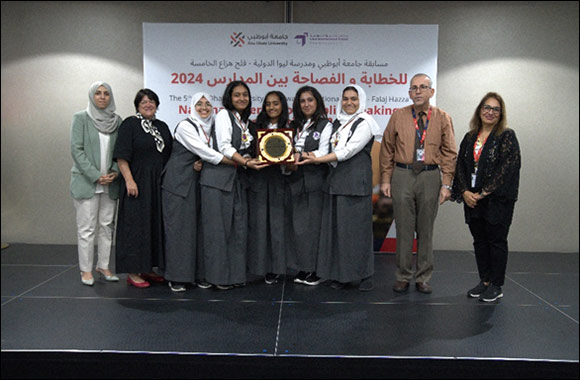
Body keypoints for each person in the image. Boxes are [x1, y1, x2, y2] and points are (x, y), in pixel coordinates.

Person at [379, 73, 457, 294]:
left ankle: (423, 277)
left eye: (423, 87)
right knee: (403, 229)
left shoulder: (442, 117)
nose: (418, 91)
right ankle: (403, 275)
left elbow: (450, 152)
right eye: (414, 88)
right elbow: (387, 149)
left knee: (425, 229)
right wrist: (385, 178)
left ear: (431, 92)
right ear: (409, 93)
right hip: (402, 175)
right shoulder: (398, 116)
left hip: (430, 176)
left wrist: (447, 183)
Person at [299, 85, 380, 291]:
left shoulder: (365, 123)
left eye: (354, 99)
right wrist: (313, 156)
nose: (349, 103)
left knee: (357, 232)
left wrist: (319, 159)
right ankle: (344, 275)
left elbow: (348, 151)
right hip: (336, 182)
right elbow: (326, 148)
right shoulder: (337, 122)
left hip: (354, 184)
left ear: (361, 100)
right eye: (345, 99)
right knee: (340, 233)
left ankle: (364, 276)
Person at [161, 92, 234, 292]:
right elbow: (205, 152)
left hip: (197, 184)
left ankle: (199, 274)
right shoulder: (186, 126)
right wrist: (237, 161)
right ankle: (177, 277)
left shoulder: (213, 127)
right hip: (178, 185)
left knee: (199, 231)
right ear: (192, 107)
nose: (204, 108)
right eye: (199, 104)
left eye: (208, 104)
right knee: (179, 231)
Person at [452, 92, 521, 302]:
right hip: (472, 198)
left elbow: (507, 168)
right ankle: (484, 282)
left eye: (495, 109)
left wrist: (482, 193)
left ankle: (496, 285)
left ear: (501, 114)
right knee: (479, 241)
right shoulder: (470, 137)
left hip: (496, 200)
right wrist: (464, 192)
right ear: (479, 110)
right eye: (487, 108)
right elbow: (461, 167)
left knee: (496, 241)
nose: (490, 112)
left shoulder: (506, 136)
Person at [199, 81, 268, 290]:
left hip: (237, 181)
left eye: (245, 95)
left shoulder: (246, 122)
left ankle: (234, 275)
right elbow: (224, 147)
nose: (241, 99)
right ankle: (216, 277)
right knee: (218, 232)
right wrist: (246, 162)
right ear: (229, 97)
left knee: (237, 229)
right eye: (237, 95)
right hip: (218, 181)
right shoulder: (223, 116)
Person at [113, 89, 173, 288]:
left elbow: (171, 156)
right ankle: (132, 272)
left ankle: (147, 268)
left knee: (152, 225)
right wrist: (129, 180)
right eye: (144, 101)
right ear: (137, 105)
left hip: (157, 185)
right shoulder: (130, 124)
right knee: (135, 228)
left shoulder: (162, 127)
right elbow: (122, 156)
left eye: (152, 101)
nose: (148, 104)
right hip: (136, 184)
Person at [70, 81, 122, 286]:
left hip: (110, 183)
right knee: (87, 228)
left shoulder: (116, 121)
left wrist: (114, 172)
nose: (102, 97)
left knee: (107, 226)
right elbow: (76, 150)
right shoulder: (81, 118)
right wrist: (95, 175)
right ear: (92, 96)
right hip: (87, 183)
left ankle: (104, 265)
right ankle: (86, 270)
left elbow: (121, 151)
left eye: (106, 93)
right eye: (98, 93)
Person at [286, 86, 332, 286]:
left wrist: (302, 156)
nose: (306, 104)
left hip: (315, 181)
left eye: (310, 100)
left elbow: (322, 153)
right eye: (302, 101)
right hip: (295, 181)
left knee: (314, 227)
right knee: (299, 228)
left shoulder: (325, 125)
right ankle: (303, 267)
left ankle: (317, 270)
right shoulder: (293, 125)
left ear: (317, 102)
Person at [247, 91, 291, 285]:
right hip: (258, 179)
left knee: (278, 226)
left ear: (282, 105)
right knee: (259, 225)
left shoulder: (291, 128)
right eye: (268, 104)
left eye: (276, 103)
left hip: (280, 181)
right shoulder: (254, 127)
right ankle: (260, 267)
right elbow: (246, 151)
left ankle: (277, 268)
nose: (272, 107)